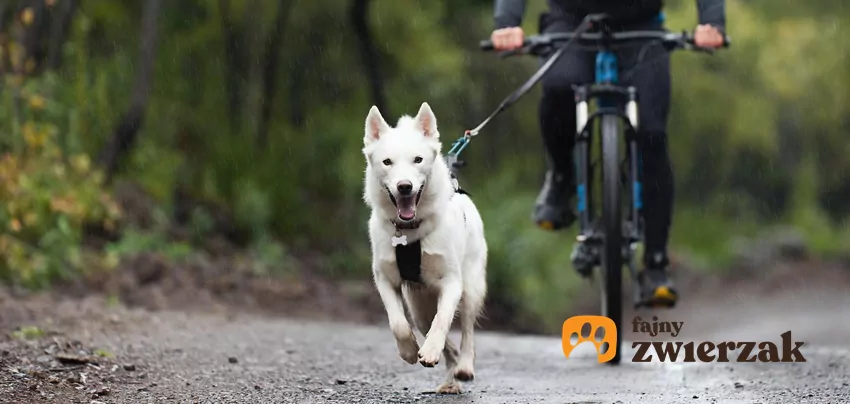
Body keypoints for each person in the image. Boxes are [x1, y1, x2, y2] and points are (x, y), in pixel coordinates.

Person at [490, 0, 726, 306]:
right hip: (571, 21)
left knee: (652, 134)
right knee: (560, 88)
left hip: (641, 26)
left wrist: (712, 23)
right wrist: (507, 23)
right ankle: (562, 179)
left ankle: (656, 264)